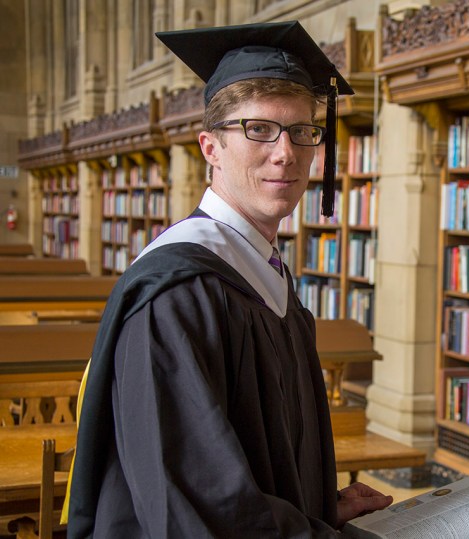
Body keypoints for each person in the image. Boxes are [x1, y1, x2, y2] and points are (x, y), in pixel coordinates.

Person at [65, 21, 392, 538]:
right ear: (210, 147)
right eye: (257, 129)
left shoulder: (264, 275)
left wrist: (318, 508)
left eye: (303, 131)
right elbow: (192, 510)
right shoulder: (176, 296)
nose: (285, 153)